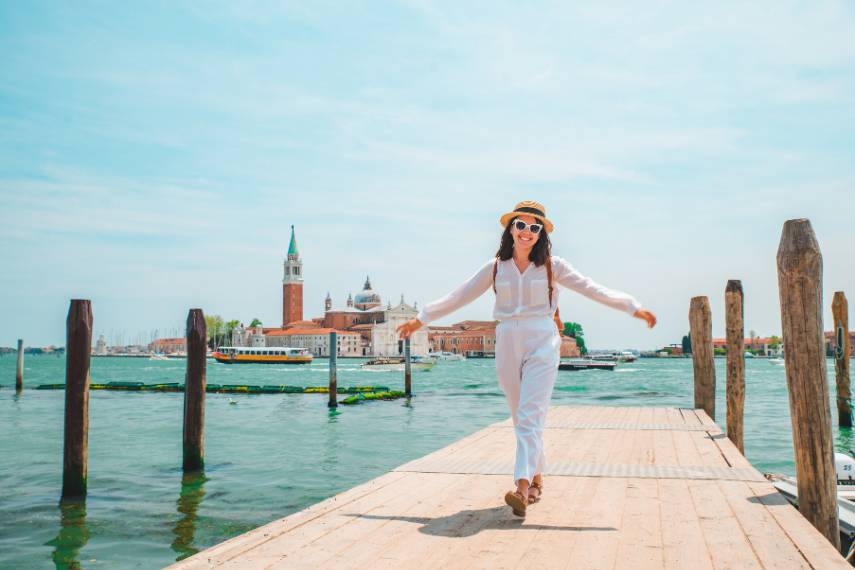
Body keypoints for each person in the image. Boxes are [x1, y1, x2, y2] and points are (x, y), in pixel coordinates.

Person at [396, 200, 657, 517]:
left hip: (542, 339)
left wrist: (633, 307)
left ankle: (520, 487)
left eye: (535, 227)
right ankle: (536, 479)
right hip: (506, 339)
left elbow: (593, 290)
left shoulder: (553, 266)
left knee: (530, 415)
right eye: (521, 225)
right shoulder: (495, 267)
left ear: (541, 234)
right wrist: (420, 319)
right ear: (511, 228)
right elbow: (459, 295)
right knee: (521, 416)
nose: (527, 232)